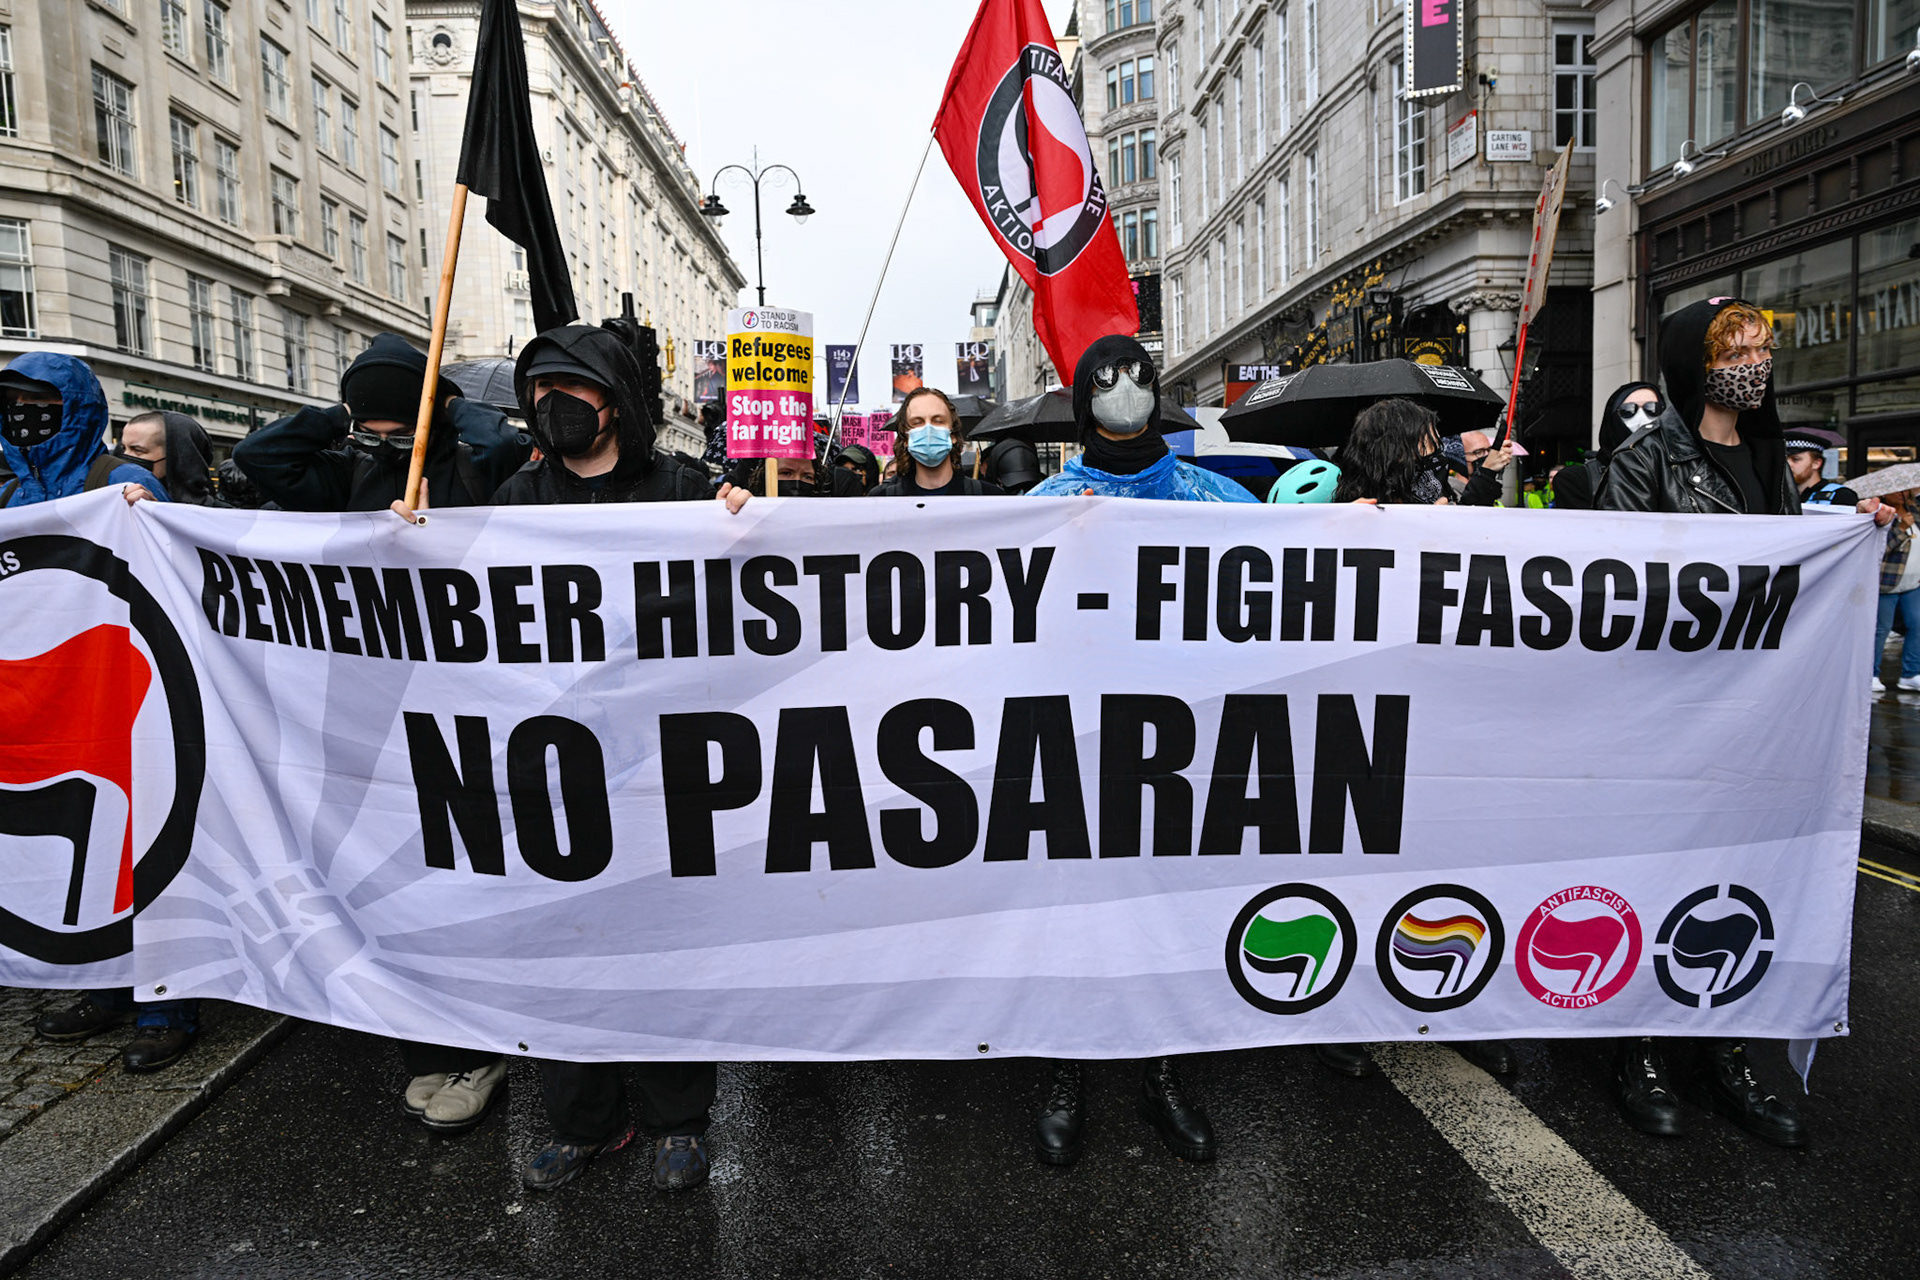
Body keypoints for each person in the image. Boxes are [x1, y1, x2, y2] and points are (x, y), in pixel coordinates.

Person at [394, 323, 744, 1191]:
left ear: (615, 399)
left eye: (571, 388)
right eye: (538, 388)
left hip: (660, 765)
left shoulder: (686, 490)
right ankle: (583, 1123)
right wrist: (408, 541)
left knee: (662, 948)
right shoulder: (512, 495)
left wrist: (749, 523)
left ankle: (676, 1120)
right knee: (559, 949)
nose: (552, 405)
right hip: (546, 766)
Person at [1598, 297, 1891, 1147]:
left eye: (1762, 347)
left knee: (1738, 877)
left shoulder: (1768, 461)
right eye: (1738, 347)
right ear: (1698, 360)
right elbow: (1620, 584)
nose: (1755, 362)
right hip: (1668, 713)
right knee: (1657, 871)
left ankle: (1723, 1047)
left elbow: (1804, 589)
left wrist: (1867, 538)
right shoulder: (1646, 461)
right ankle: (1641, 1048)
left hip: (1753, 716)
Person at [1023, 335, 1227, 1170]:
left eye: (1139, 377)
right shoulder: (1044, 501)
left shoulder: (1213, 498)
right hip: (1076, 749)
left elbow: (1305, 568)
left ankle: (1163, 1071)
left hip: (1187, 746)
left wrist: (1368, 526)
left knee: (1170, 913)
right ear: (1083, 401)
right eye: (1104, 382)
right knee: (1076, 915)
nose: (1125, 393)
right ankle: (1068, 1067)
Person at [1, 357, 201, 1069]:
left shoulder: (119, 483)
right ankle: (103, 987)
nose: (24, 412)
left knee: (140, 839)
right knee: (69, 855)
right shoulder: (7, 489)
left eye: (38, 401)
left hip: (121, 695)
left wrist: (155, 521)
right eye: (13, 401)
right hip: (41, 705)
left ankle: (165, 1005)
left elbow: (171, 578)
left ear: (75, 407)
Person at [233, 333, 525, 513]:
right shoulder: (348, 473)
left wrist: (446, 401)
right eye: (370, 436)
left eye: (402, 437)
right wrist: (345, 412)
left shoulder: (471, 468)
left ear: (431, 423)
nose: (385, 448)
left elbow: (503, 444)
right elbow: (254, 454)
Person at [1028, 336, 1255, 502]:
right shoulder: (1054, 500)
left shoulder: (1208, 493)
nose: (1126, 386)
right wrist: (1063, 526)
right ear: (1085, 400)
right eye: (1106, 377)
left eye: (1140, 373)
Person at [1, 354, 166, 507]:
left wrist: (152, 513)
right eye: (12, 400)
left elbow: (169, 537)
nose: (19, 407)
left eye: (36, 398)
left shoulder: (128, 483)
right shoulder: (7, 495)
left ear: (76, 407)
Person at [867, 388, 1004, 496]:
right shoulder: (881, 500)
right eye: (917, 422)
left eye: (938, 421)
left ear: (953, 435)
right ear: (905, 439)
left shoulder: (989, 497)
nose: (928, 429)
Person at [1555, 382, 1663, 511]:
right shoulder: (1577, 480)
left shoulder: (1682, 473)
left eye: (1652, 409)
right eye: (1628, 410)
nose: (1642, 418)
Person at [1332, 398, 1453, 505]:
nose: (1439, 456)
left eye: (1438, 445)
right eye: (1430, 445)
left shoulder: (1448, 509)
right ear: (1398, 454)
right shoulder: (1354, 516)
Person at [109, 411, 230, 506]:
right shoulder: (116, 498)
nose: (126, 456)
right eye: (123, 448)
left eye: (138, 450)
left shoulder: (222, 517)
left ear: (178, 457)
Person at [1874, 489, 1919, 694]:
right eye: (1896, 491)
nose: (1902, 494)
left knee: (1917, 626)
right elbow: (1882, 548)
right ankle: (1871, 674)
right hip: (1887, 583)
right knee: (1881, 630)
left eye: (1904, 490)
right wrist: (1901, 528)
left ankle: (1910, 674)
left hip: (1913, 582)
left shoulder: (1914, 510)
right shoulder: (1880, 514)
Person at [1784, 430, 1857, 507]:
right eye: (1785, 460)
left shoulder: (1840, 496)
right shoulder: (1781, 496)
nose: (1788, 465)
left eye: (1796, 459)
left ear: (1816, 463)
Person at [1452, 429, 1515, 507]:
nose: (1487, 456)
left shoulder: (1491, 492)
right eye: (1478, 452)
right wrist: (1487, 470)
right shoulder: (1448, 493)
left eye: (1489, 450)